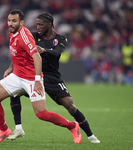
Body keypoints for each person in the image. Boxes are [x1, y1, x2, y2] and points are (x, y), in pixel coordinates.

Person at [0, 9, 82, 144]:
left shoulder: (24, 36)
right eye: (9, 20)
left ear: (22, 22)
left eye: (14, 21)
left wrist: (38, 81)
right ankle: (4, 130)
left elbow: (37, 58)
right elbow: (17, 53)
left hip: (31, 79)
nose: (10, 23)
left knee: (41, 114)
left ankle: (72, 126)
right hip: (17, 76)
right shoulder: (11, 32)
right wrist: (10, 68)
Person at [7, 12, 100, 143]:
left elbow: (57, 53)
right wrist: (12, 67)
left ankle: (91, 136)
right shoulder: (33, 36)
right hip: (34, 75)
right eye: (37, 24)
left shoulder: (61, 39)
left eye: (41, 24)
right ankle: (18, 128)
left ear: (49, 24)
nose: (38, 27)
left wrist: (44, 50)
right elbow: (19, 52)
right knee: (14, 93)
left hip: (52, 77)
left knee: (70, 105)